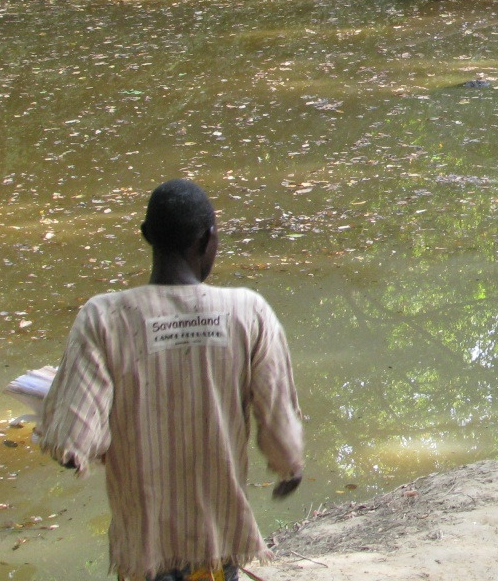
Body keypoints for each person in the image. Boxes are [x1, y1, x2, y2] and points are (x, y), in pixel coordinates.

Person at [40, 179, 304, 581]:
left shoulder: (103, 319)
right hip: (216, 543)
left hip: (146, 549)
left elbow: (71, 443)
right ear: (206, 240)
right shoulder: (247, 313)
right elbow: (278, 416)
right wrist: (289, 466)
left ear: (146, 236)